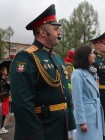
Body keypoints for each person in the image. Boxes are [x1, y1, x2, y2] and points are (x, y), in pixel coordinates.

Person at [9, 4, 76, 140]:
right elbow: (22, 105)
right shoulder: (26, 57)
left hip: (60, 127)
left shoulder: (57, 58)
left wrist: (71, 124)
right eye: (56, 29)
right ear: (43, 32)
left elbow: (66, 96)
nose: (59, 33)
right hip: (43, 129)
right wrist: (35, 135)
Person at [71, 45, 104, 140]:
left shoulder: (88, 72)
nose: (94, 55)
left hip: (94, 113)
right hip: (87, 116)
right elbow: (77, 100)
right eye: (92, 53)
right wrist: (81, 121)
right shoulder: (77, 74)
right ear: (85, 56)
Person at [90, 31, 105, 137]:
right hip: (98, 95)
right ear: (97, 44)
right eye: (104, 44)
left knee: (104, 122)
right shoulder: (92, 59)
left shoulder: (100, 60)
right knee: (98, 124)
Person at [0, 66, 10, 134]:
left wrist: (8, 83)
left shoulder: (5, 79)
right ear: (2, 71)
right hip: (2, 98)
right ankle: (1, 128)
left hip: (6, 97)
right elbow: (2, 89)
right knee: (2, 113)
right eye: (5, 69)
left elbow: (9, 87)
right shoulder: (1, 80)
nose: (6, 70)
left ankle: (2, 127)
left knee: (5, 112)